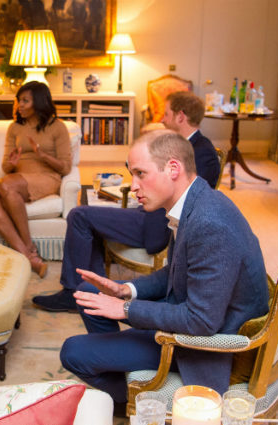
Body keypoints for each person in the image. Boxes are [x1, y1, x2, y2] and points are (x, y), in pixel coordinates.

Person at [58, 131, 269, 413]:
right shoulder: (193, 202)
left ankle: (134, 401)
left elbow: (202, 321)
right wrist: (126, 290)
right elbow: (175, 272)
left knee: (73, 352)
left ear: (173, 169)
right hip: (186, 310)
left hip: (201, 345)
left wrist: (126, 309)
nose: (133, 186)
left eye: (140, 174)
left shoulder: (209, 223)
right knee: (86, 293)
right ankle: (124, 370)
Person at [32, 90, 220, 312]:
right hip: (148, 212)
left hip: (157, 222)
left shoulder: (203, 151)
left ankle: (73, 293)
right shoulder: (177, 143)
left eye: (166, 114)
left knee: (79, 215)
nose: (162, 119)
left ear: (181, 116)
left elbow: (190, 199)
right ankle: (91, 291)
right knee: (90, 213)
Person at [0, 81, 72, 278]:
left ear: (39, 102)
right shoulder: (15, 127)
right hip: (17, 178)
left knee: (6, 185)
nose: (19, 105)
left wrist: (43, 156)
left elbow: (65, 167)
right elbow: (5, 167)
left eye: (25, 101)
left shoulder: (58, 127)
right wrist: (12, 163)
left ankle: (29, 247)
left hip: (47, 177)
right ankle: (28, 256)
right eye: (18, 101)